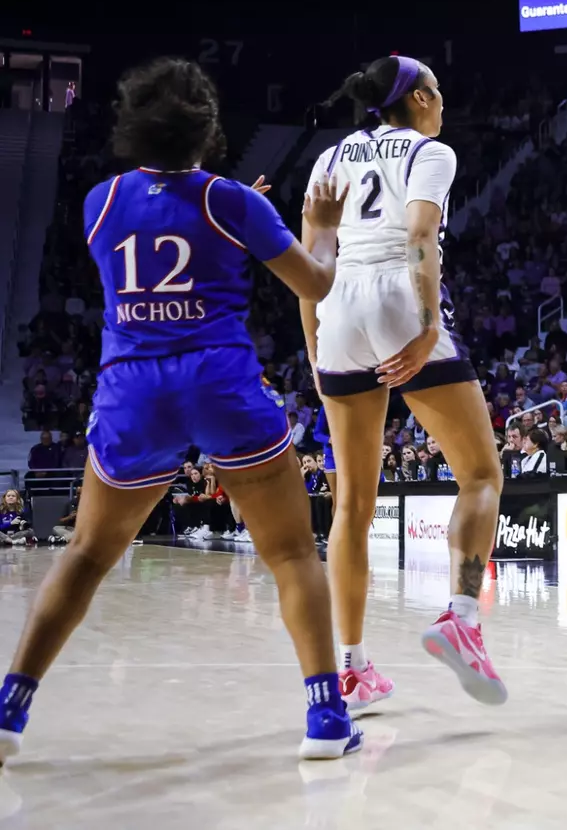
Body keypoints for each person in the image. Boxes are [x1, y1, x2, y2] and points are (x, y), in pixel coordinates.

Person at [0, 58, 359, 767]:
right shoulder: (235, 204)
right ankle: (325, 717)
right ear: (210, 129)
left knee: (89, 553)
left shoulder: (98, 200)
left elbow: (174, 221)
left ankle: (11, 708)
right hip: (219, 381)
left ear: (131, 128)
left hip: (133, 388)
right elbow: (314, 282)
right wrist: (315, 226)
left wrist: (236, 213)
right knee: (289, 552)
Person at [304, 55, 507, 709]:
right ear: (420, 99)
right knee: (480, 476)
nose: (442, 104)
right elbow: (420, 234)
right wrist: (423, 326)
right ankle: (462, 618)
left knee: (352, 506)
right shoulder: (431, 152)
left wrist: (315, 350)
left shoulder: (329, 158)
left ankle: (352, 667)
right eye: (439, 93)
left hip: (336, 310)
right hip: (396, 291)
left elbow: (314, 259)